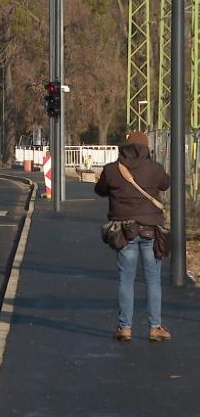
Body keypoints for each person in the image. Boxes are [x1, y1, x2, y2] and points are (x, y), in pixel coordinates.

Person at [94, 131, 172, 342]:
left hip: (124, 232)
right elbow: (166, 183)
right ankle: (155, 327)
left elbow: (100, 190)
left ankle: (125, 328)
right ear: (146, 149)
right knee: (153, 279)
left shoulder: (112, 170)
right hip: (151, 230)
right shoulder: (154, 169)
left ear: (125, 147)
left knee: (125, 279)